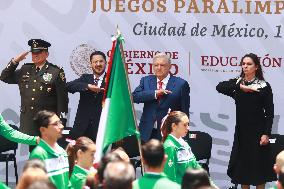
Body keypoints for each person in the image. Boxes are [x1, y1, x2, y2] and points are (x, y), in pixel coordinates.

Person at [216, 53, 274, 189]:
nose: (245, 66)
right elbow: (219, 87)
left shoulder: (263, 86)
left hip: (259, 133)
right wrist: (240, 87)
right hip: (242, 133)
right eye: (243, 64)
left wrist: (266, 133)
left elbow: (270, 114)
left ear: (256, 67)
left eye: (249, 64)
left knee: (259, 171)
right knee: (243, 171)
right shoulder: (238, 83)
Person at [0, 39, 68, 151]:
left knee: (49, 155)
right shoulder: (25, 69)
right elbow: (4, 77)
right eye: (33, 53)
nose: (35, 55)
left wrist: (61, 123)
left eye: (39, 52)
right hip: (31, 122)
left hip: (48, 123)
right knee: (34, 154)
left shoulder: (55, 72)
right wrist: (15, 61)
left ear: (46, 54)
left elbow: (63, 100)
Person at [132, 53, 190, 142]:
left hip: (170, 132)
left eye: (162, 65)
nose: (158, 68)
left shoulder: (181, 84)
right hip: (147, 132)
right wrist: (155, 93)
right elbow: (134, 97)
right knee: (146, 156)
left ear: (170, 66)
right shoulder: (146, 80)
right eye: (156, 65)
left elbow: (184, 112)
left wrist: (184, 133)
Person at [66, 51, 107, 141]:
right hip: (82, 129)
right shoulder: (85, 78)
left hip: (103, 128)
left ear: (106, 63)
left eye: (101, 61)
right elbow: (68, 86)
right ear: (91, 64)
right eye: (95, 62)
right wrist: (87, 86)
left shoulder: (112, 79)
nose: (98, 64)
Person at [29, 110, 70, 189]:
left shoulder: (62, 152)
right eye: (56, 124)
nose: (61, 126)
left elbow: (67, 184)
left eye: (60, 122)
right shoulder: (38, 154)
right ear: (43, 130)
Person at [161, 111, 201, 184]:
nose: (188, 128)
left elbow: (196, 166)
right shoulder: (169, 147)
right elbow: (170, 180)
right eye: (185, 125)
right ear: (174, 126)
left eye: (188, 124)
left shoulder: (185, 144)